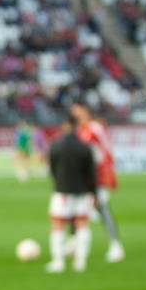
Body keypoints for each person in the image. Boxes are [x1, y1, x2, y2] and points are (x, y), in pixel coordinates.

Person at [70, 101, 125, 263]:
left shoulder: (95, 128)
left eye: (76, 111)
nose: (74, 114)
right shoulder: (78, 130)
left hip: (97, 177)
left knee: (102, 209)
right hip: (82, 177)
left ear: (85, 110)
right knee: (74, 209)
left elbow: (106, 150)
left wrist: (109, 175)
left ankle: (116, 245)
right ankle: (74, 243)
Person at [45, 113, 98, 273]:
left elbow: (52, 169)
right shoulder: (85, 147)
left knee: (58, 226)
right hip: (82, 192)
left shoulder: (56, 145)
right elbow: (91, 174)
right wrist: (93, 193)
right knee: (82, 225)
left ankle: (58, 262)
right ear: (76, 127)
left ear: (64, 126)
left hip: (62, 192)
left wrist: (58, 183)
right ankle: (80, 262)